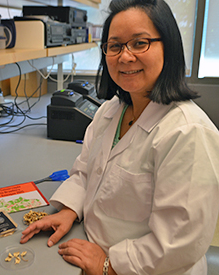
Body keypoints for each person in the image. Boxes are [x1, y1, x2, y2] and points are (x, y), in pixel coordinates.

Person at [20, 0, 219, 274]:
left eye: (140, 43)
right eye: (115, 46)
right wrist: (68, 210)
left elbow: (179, 242)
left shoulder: (188, 132)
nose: (125, 57)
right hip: (91, 245)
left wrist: (109, 266)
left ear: (168, 47)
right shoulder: (110, 111)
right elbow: (86, 173)